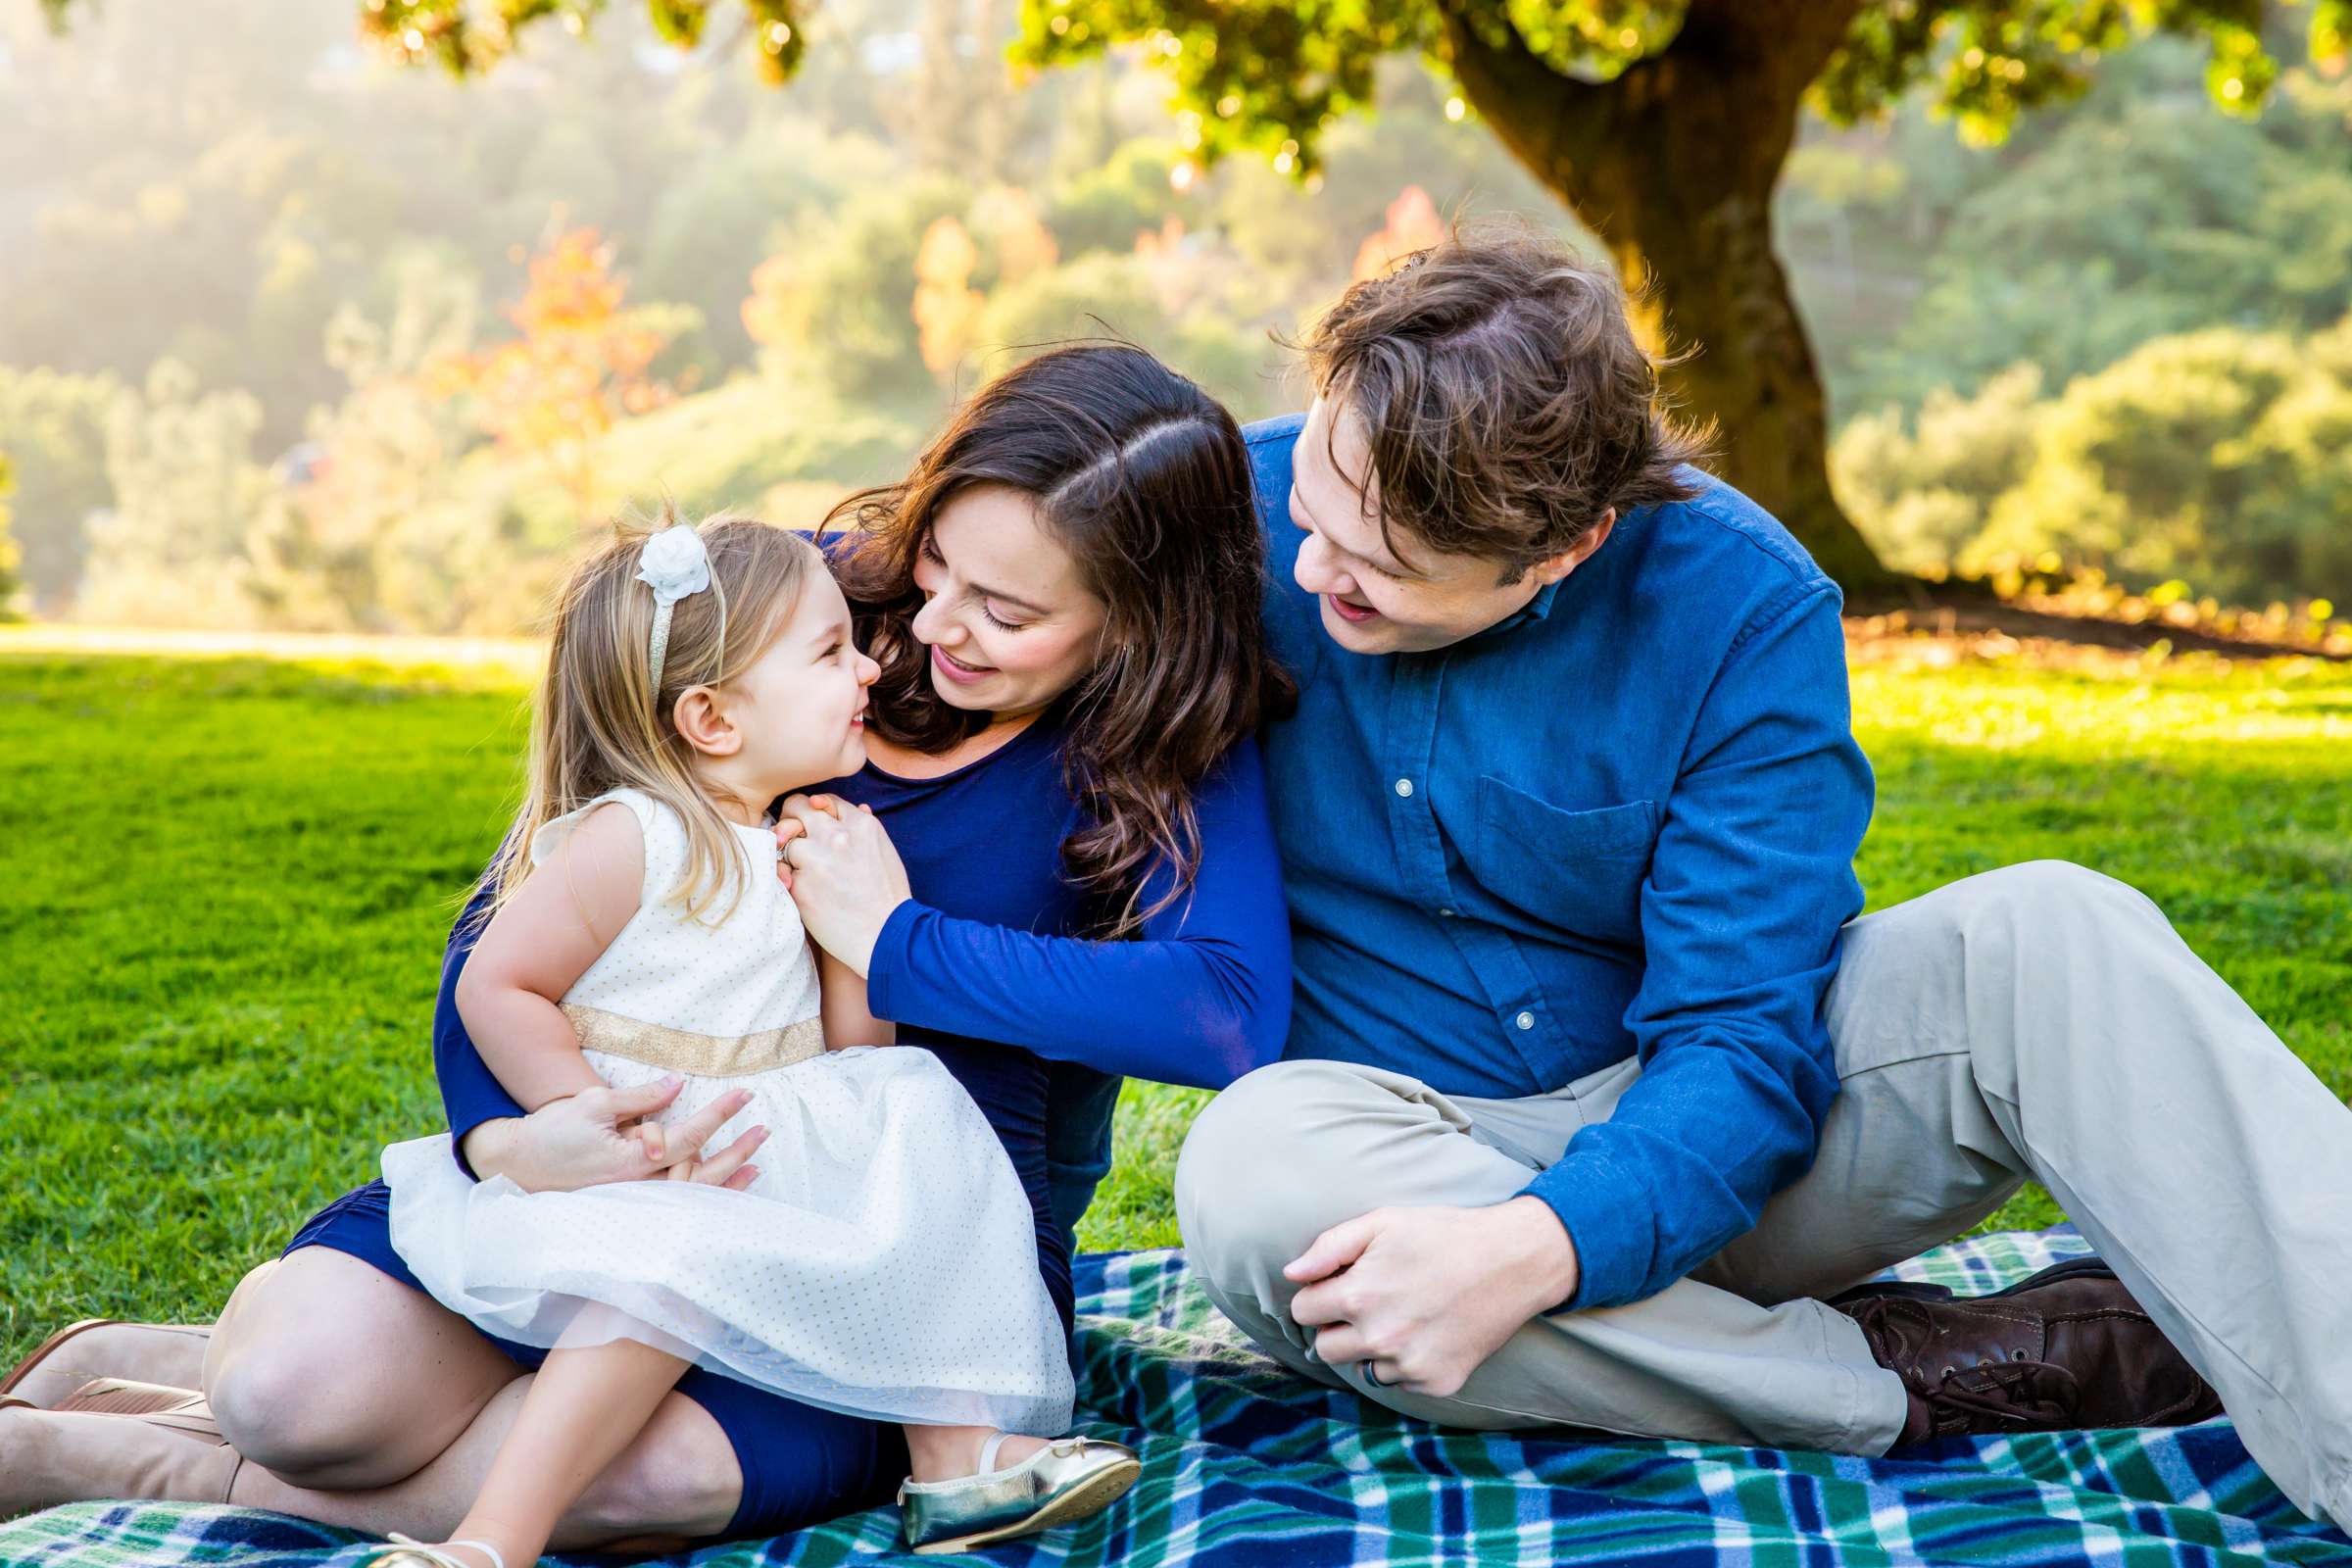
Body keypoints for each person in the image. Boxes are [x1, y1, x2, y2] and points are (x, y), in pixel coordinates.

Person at [0, 345, 1296, 1550]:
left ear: (1133, 622)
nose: (931, 623)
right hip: (604, 1163)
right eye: (938, 563)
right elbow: (528, 907)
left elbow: (1225, 1015)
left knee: (645, 1478)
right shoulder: (796, 603)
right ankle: (175, 1363)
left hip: (880, 1252)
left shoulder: (1159, 743)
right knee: (295, 1394)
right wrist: (513, 1137)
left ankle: (123, 1462)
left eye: (1004, 611)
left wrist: (896, 944)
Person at [1175, 218, 2352, 1539]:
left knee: (2053, 927)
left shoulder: (1741, 605)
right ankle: (1905, 1376)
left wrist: (1540, 1249)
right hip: (1406, 1147)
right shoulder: (1223, 516)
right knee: (1252, 1183)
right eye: (1316, 515)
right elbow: (990, 571)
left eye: (1381, 574)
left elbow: (1740, 1043)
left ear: (1565, 547)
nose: (1313, 564)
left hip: (1724, 1132)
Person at [366, 511, 1139, 1568]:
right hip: (648, 1161)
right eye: (830, 651)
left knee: (918, 1101)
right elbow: (498, 983)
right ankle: (492, 1541)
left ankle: (957, 1459)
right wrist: (571, 1111)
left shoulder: (801, 836)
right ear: (713, 719)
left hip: (763, 1152)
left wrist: (868, 921)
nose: (871, 665)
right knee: (669, 1268)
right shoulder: (633, 837)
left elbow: (853, 1051)